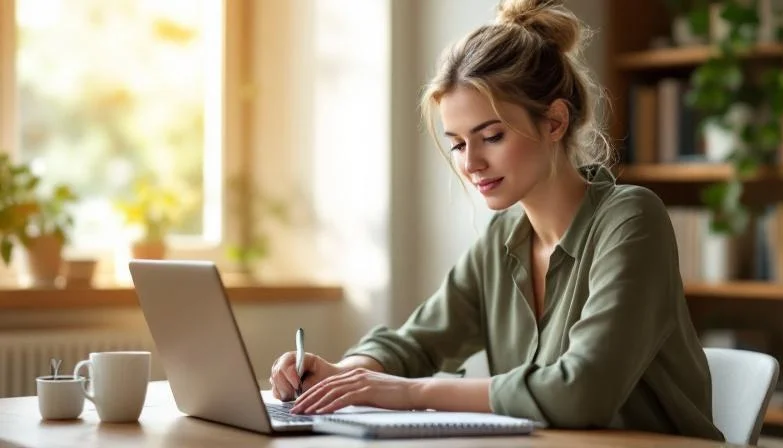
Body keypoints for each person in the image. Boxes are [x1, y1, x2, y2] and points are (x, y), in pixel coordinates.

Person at [269, 0, 724, 440]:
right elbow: (418, 342)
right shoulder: (503, 238)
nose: (471, 164)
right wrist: (343, 374)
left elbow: (581, 392)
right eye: (459, 144)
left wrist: (409, 393)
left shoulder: (631, 219)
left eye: (491, 136)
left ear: (555, 122)